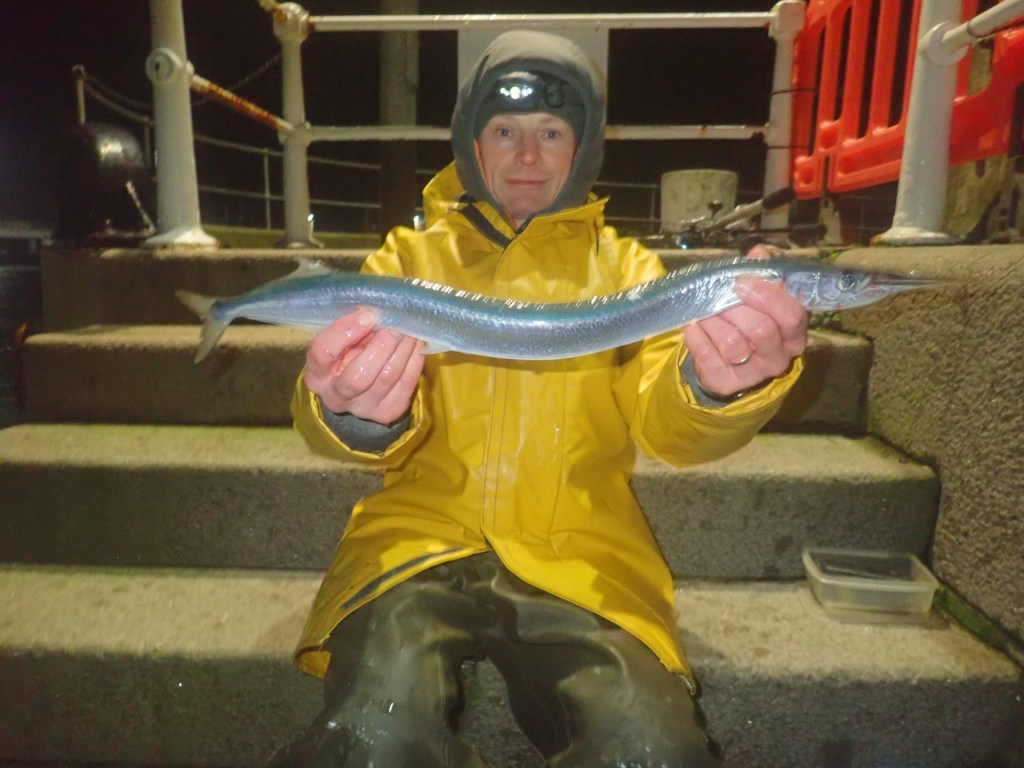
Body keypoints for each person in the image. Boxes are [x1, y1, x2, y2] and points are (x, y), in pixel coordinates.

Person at [272, 30, 807, 768]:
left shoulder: (632, 273)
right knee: (371, 743)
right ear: (473, 145)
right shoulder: (406, 261)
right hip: (416, 545)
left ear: (582, 149)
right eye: (505, 132)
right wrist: (349, 411)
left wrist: (717, 385)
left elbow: (670, 428)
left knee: (651, 753)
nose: (527, 155)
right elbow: (324, 415)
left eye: (551, 132)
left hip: (581, 556)